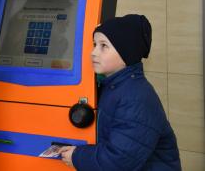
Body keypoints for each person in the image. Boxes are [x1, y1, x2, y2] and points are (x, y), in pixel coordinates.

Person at [60, 14, 181, 170]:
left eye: (104, 46)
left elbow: (118, 162)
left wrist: (76, 156)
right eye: (94, 44)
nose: (93, 52)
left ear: (126, 52)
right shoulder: (114, 86)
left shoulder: (136, 97)